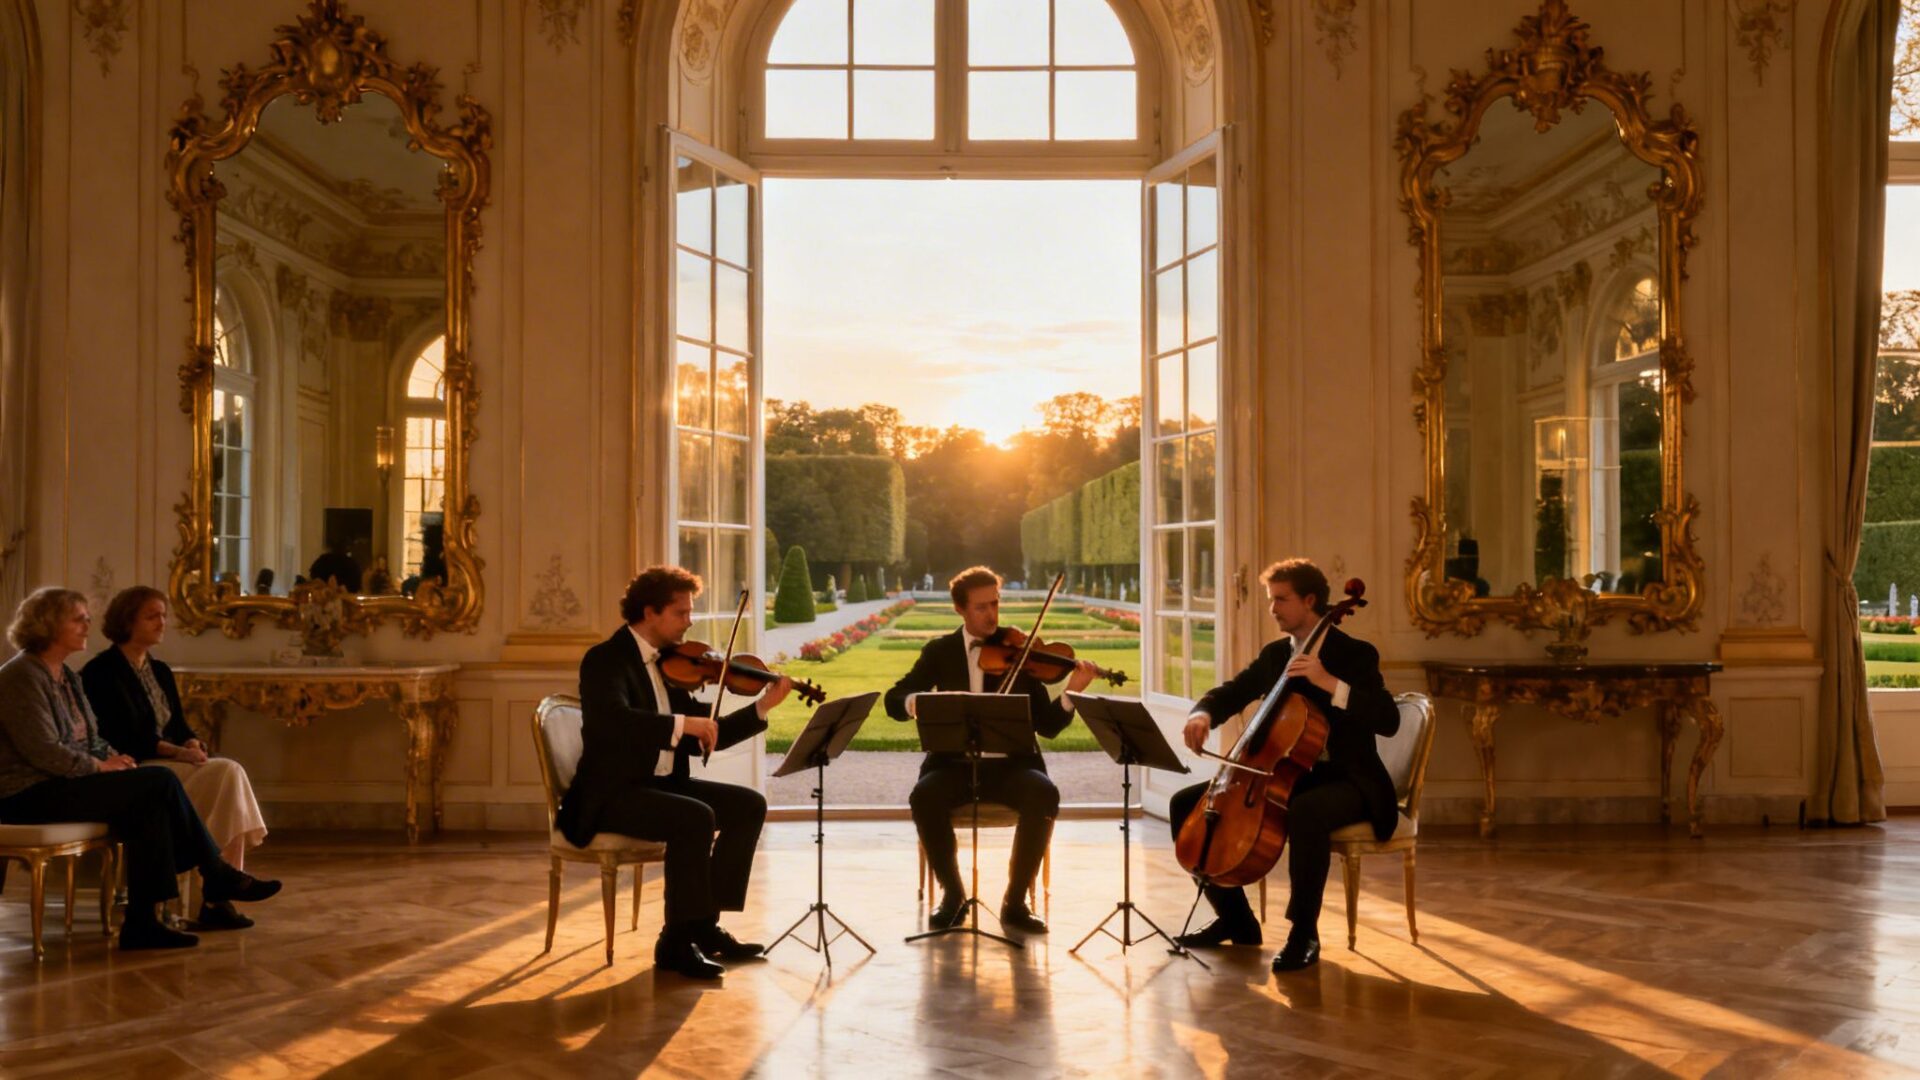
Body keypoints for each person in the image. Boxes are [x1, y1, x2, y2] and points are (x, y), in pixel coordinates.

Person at [0, 587, 280, 951]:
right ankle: (216, 874)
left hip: (63, 782)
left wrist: (118, 759)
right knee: (159, 780)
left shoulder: (66, 675)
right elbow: (43, 750)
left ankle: (143, 922)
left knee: (148, 803)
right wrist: (100, 767)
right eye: (78, 619)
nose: (88, 625)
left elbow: (94, 737)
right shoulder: (21, 676)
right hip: (28, 792)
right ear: (48, 625)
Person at [556, 565, 792, 980]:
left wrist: (761, 708)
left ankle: (703, 924)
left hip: (663, 785)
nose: (690, 621)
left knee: (749, 805)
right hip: (612, 794)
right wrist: (681, 726)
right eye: (681, 613)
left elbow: (709, 727)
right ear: (650, 613)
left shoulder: (672, 666)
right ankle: (674, 943)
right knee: (694, 817)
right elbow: (612, 721)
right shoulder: (605, 660)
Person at [1168, 558, 1400, 973]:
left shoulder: (1354, 654)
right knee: (1187, 804)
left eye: (1281, 599)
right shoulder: (1277, 655)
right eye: (1270, 599)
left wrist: (1330, 682)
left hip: (1346, 778)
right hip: (1286, 775)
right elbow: (1234, 691)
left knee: (1306, 812)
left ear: (1311, 601)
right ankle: (1237, 921)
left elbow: (1388, 720)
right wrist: (1201, 714)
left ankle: (1303, 933)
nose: (1272, 608)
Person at [883, 566, 1097, 935]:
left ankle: (1015, 902)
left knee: (1043, 793)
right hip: (953, 765)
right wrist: (914, 701)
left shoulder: (1020, 650)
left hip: (1011, 768)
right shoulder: (940, 652)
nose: (992, 614)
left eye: (995, 604)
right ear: (961, 610)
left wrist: (1072, 691)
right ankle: (952, 895)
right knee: (924, 796)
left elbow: (1047, 724)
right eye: (981, 607)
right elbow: (893, 699)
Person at [81, 586, 269, 930]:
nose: (161, 622)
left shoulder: (160, 670)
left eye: (163, 615)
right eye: (152, 616)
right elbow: (126, 737)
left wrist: (192, 741)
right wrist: (180, 752)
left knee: (228, 780)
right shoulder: (102, 672)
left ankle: (216, 893)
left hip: (171, 763)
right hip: (135, 766)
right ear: (128, 621)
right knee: (227, 776)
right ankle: (217, 894)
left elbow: (178, 723)